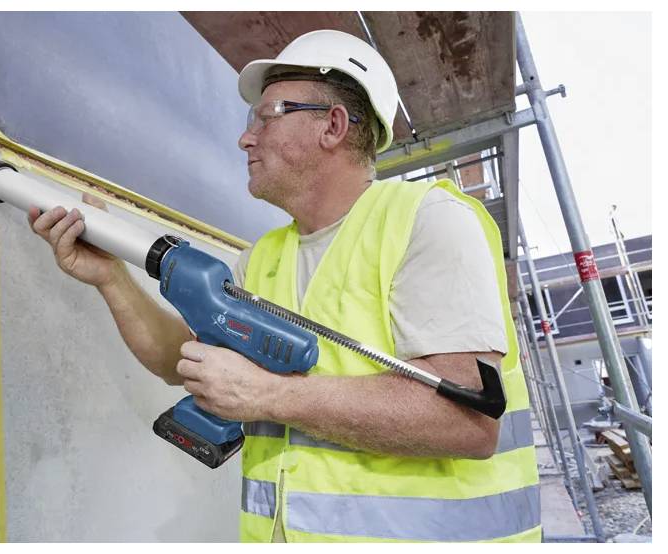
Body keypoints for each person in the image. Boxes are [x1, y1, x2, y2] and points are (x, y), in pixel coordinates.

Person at [28, 29, 540, 542]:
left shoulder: (426, 219)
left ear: (333, 126)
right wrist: (110, 277)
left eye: (266, 115)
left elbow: (467, 423)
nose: (245, 137)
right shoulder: (266, 256)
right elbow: (178, 359)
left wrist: (269, 395)